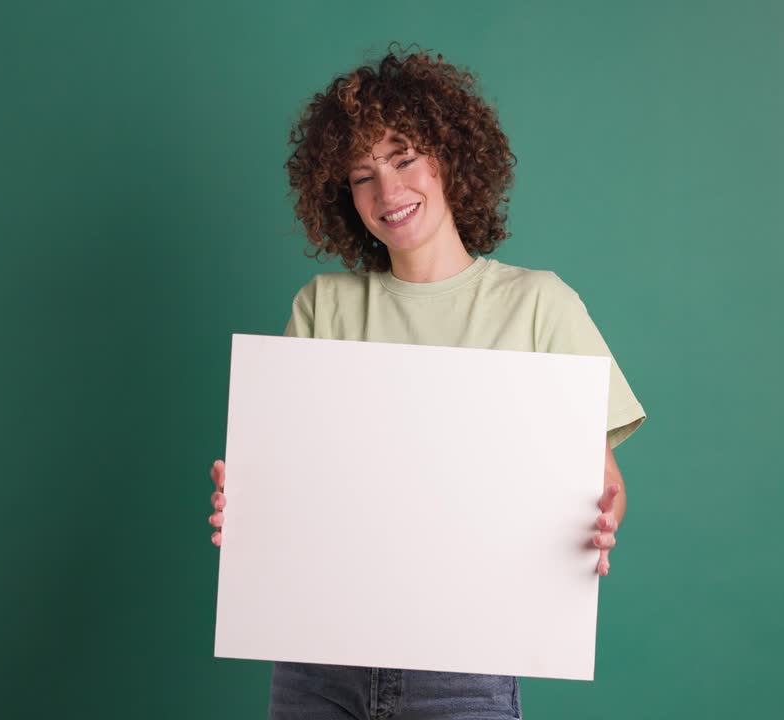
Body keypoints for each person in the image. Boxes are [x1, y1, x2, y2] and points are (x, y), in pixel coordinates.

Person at [208, 44, 647, 720]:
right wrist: (248, 507)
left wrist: (600, 519)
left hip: (465, 665)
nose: (388, 192)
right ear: (340, 194)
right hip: (317, 659)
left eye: (405, 158)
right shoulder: (322, 306)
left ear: (451, 159)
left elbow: (602, 481)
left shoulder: (540, 306)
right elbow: (288, 478)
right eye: (361, 175)